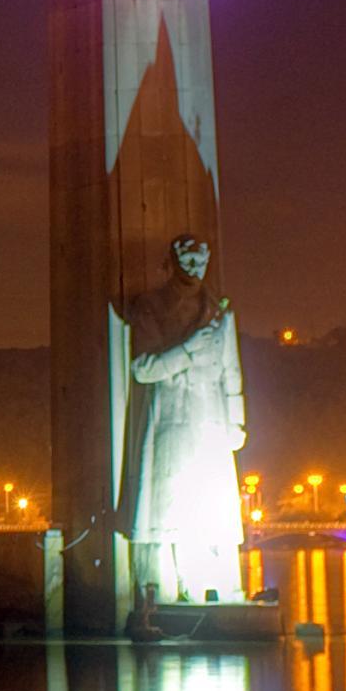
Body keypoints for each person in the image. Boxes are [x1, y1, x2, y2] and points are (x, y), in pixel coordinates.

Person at [123, 234, 246, 603]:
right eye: (188, 261)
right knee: (168, 508)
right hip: (170, 418)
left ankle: (212, 584)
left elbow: (231, 371)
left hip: (212, 420)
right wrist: (188, 350)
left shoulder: (220, 313)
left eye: (201, 262)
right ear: (174, 262)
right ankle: (161, 590)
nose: (195, 269)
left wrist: (236, 421)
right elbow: (143, 369)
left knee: (211, 511)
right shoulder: (150, 306)